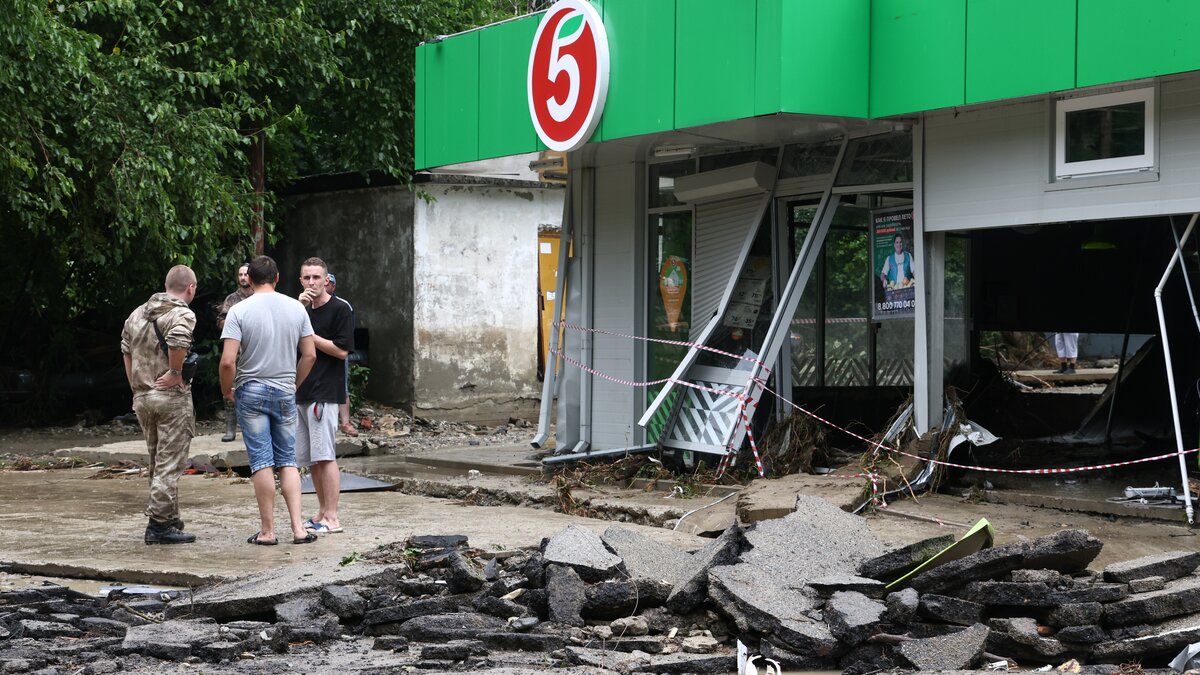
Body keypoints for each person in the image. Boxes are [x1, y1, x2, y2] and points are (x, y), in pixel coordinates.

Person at [219, 255, 318, 545]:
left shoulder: (239, 311)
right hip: (285, 389)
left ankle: (267, 531)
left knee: (261, 462)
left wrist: (227, 389)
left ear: (248, 279)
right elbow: (310, 354)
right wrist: (293, 383)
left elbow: (227, 362)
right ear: (277, 279)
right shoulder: (296, 308)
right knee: (287, 460)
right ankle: (299, 529)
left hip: (251, 391)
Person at [121, 264, 199, 545]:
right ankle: (158, 526)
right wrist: (175, 372)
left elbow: (126, 350)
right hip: (170, 398)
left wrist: (136, 387)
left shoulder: (137, 313)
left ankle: (169, 517)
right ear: (191, 288)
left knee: (157, 460)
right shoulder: (182, 313)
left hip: (143, 396)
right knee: (170, 463)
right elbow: (178, 340)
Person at [296, 259, 354, 534]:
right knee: (312, 459)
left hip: (325, 392)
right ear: (300, 280)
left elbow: (342, 351)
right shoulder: (299, 310)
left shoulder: (340, 309)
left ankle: (332, 517)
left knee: (326, 455)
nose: (311, 283)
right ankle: (320, 513)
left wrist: (309, 336)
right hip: (302, 391)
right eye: (306, 277)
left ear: (325, 279)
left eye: (316, 277)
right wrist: (299, 312)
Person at [216, 263, 252, 442]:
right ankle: (230, 428)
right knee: (230, 389)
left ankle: (249, 429)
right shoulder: (232, 299)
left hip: (254, 351)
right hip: (235, 351)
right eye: (240, 274)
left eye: (246, 274)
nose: (243, 278)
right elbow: (221, 321)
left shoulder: (259, 296)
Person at [325, 272, 359, 437]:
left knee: (342, 386)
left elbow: (347, 332)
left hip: (337, 349)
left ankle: (345, 423)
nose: (324, 285)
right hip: (315, 352)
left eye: (328, 283)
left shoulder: (342, 306)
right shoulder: (307, 304)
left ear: (333, 286)